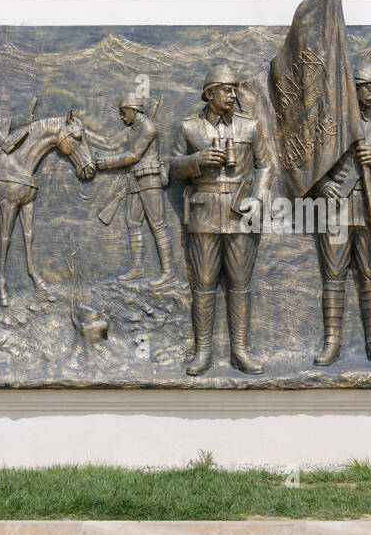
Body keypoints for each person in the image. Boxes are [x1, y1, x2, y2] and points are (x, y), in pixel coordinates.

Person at [169, 65, 274, 375]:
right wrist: (196, 161)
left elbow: (265, 166)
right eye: (226, 89)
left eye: (235, 89)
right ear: (209, 93)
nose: (232, 95)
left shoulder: (251, 126)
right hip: (204, 213)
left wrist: (258, 198)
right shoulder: (189, 128)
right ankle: (203, 352)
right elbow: (174, 167)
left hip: (241, 214)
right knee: (203, 285)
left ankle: (240, 350)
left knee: (240, 284)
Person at [311, 62, 371, 366]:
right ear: (354, 87)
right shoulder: (331, 123)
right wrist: (323, 185)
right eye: (368, 87)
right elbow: (311, 163)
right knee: (334, 277)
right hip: (336, 209)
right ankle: (332, 342)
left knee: (370, 277)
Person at [89, 93, 176, 287]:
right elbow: (108, 143)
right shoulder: (132, 129)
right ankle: (137, 269)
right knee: (132, 223)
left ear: (134, 110)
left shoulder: (148, 129)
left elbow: (133, 156)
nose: (121, 117)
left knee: (157, 225)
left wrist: (105, 163)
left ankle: (168, 272)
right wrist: (83, 132)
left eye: (123, 112)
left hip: (150, 182)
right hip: (135, 181)